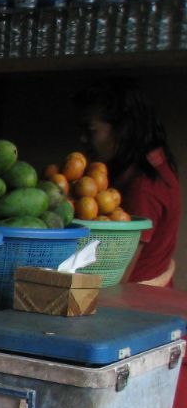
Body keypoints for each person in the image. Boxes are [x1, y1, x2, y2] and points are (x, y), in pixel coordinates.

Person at [74, 78, 180, 287]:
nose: (83, 138)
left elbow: (119, 277)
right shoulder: (154, 162)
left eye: (91, 130)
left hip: (137, 305)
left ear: (123, 129)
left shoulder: (142, 188)